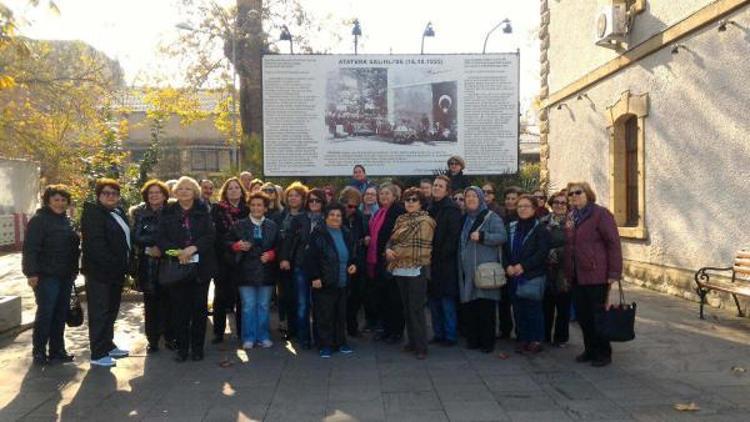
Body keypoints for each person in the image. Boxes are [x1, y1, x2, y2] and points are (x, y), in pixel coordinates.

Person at [158, 176, 217, 362]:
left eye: (188, 189)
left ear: (195, 192)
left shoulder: (203, 211)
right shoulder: (167, 212)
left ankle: (197, 348)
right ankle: (182, 348)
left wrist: (193, 248)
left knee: (199, 310)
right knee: (179, 310)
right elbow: (161, 239)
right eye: (180, 188)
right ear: (175, 192)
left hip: (200, 268)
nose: (184, 191)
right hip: (177, 266)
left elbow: (210, 235)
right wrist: (177, 253)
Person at [564, 182, 622, 367]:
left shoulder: (600, 214)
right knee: (583, 316)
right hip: (576, 274)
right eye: (570, 194)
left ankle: (603, 353)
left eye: (578, 192)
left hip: (596, 274)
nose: (574, 196)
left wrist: (614, 272)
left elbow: (613, 243)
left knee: (598, 316)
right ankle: (589, 349)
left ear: (588, 194)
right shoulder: (572, 216)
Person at [23, 185, 80, 366]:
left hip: (66, 275)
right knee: (46, 313)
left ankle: (57, 350)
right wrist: (31, 273)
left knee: (60, 313)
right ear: (48, 200)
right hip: (46, 276)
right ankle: (39, 351)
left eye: (63, 200)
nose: (60, 203)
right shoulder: (39, 221)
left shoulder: (68, 221)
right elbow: (30, 249)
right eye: (56, 199)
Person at [81, 178, 131, 367]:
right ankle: (98, 353)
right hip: (100, 274)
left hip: (116, 273)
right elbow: (96, 246)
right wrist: (116, 265)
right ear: (98, 195)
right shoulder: (93, 214)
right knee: (100, 313)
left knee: (111, 311)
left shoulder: (117, 212)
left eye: (114, 193)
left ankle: (108, 345)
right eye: (106, 193)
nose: (111, 196)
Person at [385, 188, 435, 359]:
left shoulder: (426, 221)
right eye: (407, 200)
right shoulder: (401, 219)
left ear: (421, 203)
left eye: (414, 200)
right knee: (406, 308)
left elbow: (417, 247)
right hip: (400, 268)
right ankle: (412, 341)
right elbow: (391, 239)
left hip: (416, 269)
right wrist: (388, 250)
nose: (410, 202)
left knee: (416, 309)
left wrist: (394, 251)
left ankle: (421, 346)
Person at [458, 186, 507, 353]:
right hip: (468, 270)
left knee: (486, 307)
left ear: (480, 199)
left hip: (485, 271)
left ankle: (487, 342)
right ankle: (474, 340)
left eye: (474, 196)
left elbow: (502, 236)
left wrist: (483, 237)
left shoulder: (491, 217)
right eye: (468, 196)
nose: (470, 199)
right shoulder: (464, 218)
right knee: (471, 305)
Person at [305, 203, 357, 358]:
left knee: (340, 314)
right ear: (326, 217)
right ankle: (324, 345)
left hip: (342, 281)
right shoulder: (318, 233)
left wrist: (353, 264)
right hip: (324, 281)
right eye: (332, 215)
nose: (335, 218)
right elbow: (310, 258)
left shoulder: (346, 233)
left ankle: (340, 342)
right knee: (324, 315)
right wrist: (314, 277)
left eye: (339, 215)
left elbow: (353, 254)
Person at [228, 192, 279, 350]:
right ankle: (249, 337)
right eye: (253, 205)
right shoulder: (239, 225)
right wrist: (237, 246)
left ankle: (263, 336)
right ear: (249, 206)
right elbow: (226, 242)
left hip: (266, 272)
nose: (256, 208)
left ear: (265, 208)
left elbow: (280, 245)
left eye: (260, 205)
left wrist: (272, 254)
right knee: (248, 305)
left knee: (263, 305)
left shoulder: (272, 225)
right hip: (245, 271)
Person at [131, 179, 174, 353]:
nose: (154, 196)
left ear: (164, 195)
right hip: (147, 265)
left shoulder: (172, 213)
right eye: (151, 193)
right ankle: (153, 339)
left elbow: (175, 237)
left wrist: (161, 248)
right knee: (151, 305)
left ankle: (170, 337)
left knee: (170, 303)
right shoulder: (139, 214)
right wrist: (151, 246)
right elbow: (136, 236)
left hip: (168, 264)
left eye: (158, 193)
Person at [280, 183, 326, 348]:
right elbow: (289, 240)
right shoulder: (300, 219)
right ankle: (304, 338)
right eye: (311, 200)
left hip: (322, 268)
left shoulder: (328, 218)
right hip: (301, 265)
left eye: (318, 201)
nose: (314, 203)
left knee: (320, 304)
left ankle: (321, 337)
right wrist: (284, 258)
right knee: (302, 303)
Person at [503, 194, 550, 354]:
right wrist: (507, 265)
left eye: (526, 206)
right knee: (518, 309)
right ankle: (522, 338)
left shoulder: (540, 228)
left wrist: (524, 266)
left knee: (533, 309)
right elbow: (504, 249)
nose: (522, 209)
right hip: (513, 274)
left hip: (532, 275)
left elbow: (542, 252)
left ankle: (536, 339)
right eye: (520, 206)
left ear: (534, 209)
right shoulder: (511, 226)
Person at [210, 177, 249, 344]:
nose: (233, 190)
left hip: (243, 259)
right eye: (230, 188)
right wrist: (232, 245)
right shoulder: (217, 209)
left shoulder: (248, 209)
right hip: (222, 258)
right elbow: (215, 235)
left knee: (241, 297)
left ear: (242, 191)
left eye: (236, 188)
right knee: (220, 297)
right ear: (225, 192)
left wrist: (243, 245)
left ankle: (241, 331)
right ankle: (218, 332)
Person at [366, 182, 405, 344]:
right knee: (383, 298)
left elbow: (399, 235)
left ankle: (396, 332)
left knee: (394, 299)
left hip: (391, 260)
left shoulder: (398, 212)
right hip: (378, 261)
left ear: (395, 196)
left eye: (387, 193)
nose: (383, 196)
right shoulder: (379, 212)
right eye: (381, 194)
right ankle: (386, 329)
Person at [427, 176, 462, 346]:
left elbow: (453, 237)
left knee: (447, 301)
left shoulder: (452, 209)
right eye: (435, 185)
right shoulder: (429, 207)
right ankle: (438, 333)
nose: (436, 188)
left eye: (440, 186)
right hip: (430, 262)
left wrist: (439, 254)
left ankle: (450, 335)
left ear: (447, 190)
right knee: (434, 300)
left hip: (445, 262)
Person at [277, 182, 308, 343]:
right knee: (286, 297)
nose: (293, 198)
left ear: (303, 198)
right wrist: (283, 258)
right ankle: (291, 328)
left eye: (297, 195)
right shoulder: (281, 215)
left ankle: (301, 331)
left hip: (299, 263)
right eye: (290, 195)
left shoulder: (306, 216)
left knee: (300, 298)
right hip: (283, 262)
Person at [541, 191, 571, 347]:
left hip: (565, 271)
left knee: (563, 307)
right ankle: (545, 335)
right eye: (556, 202)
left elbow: (574, 245)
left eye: (563, 203)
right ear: (551, 205)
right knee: (546, 305)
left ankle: (561, 338)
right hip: (546, 269)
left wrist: (557, 252)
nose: (559, 205)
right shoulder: (543, 222)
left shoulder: (572, 223)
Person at [339, 187, 367, 337]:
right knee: (340, 296)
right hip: (340, 261)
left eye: (356, 206)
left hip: (357, 260)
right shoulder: (335, 215)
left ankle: (352, 326)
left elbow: (364, 234)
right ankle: (339, 327)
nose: (353, 210)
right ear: (343, 203)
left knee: (356, 295)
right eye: (350, 206)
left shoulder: (360, 217)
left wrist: (365, 238)